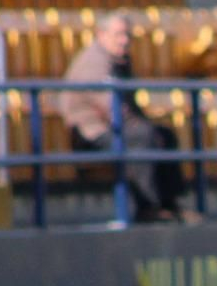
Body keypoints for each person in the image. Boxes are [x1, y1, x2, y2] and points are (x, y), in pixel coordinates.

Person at [57, 11, 194, 224]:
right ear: (101, 34)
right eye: (119, 34)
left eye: (128, 35)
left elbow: (130, 107)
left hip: (114, 127)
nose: (125, 40)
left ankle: (169, 204)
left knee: (164, 135)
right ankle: (147, 207)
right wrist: (143, 127)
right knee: (143, 136)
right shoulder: (94, 63)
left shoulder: (119, 61)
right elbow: (112, 108)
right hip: (92, 133)